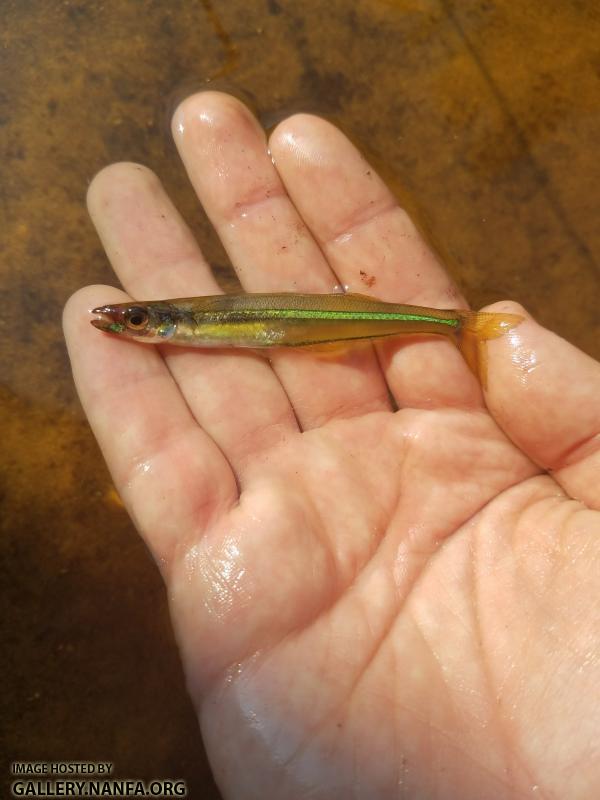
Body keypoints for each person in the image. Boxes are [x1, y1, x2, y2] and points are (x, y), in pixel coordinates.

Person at [63, 91, 600, 800]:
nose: (130, 325)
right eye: (134, 321)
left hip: (326, 323)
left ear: (160, 321)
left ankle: (452, 328)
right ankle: (450, 327)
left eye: (136, 321)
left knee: (434, 324)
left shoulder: (183, 323)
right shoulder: (185, 325)